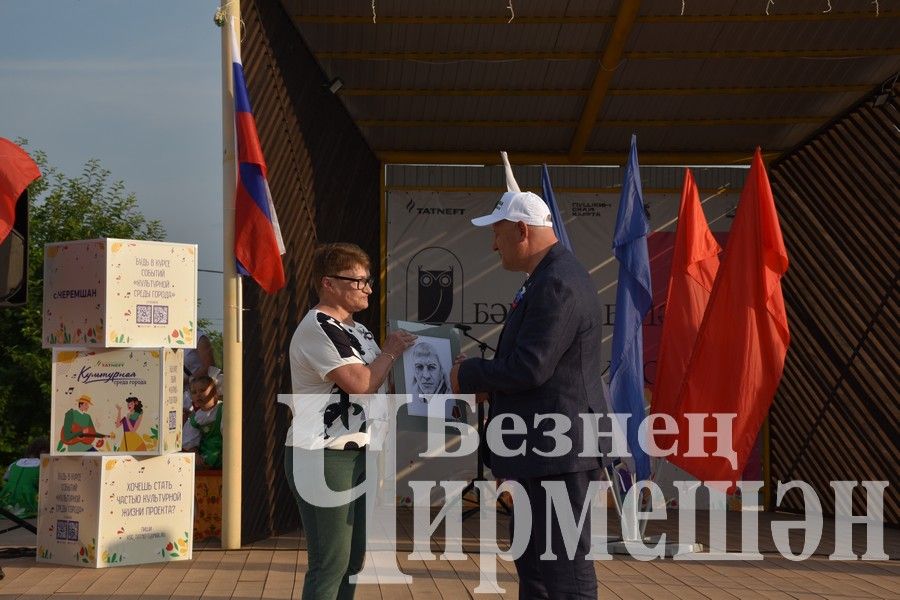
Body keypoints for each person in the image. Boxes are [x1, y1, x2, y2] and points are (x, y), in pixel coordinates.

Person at [450, 191, 604, 599]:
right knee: (537, 569)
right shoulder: (549, 277)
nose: (492, 243)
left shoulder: (556, 283)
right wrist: (485, 382)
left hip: (557, 454)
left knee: (563, 572)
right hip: (542, 453)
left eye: (497, 233)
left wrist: (469, 375)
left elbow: (530, 367)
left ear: (521, 230)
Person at [285, 242, 416, 600]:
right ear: (329, 283)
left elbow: (379, 382)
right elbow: (359, 385)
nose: (368, 288)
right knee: (330, 563)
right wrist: (390, 352)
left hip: (360, 451)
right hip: (325, 454)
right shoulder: (319, 326)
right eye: (358, 281)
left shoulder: (358, 330)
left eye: (368, 280)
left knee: (353, 559)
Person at [0, 437, 49, 519]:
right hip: (29, 501)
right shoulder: (43, 465)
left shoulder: (14, 464)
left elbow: (7, 479)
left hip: (5, 502)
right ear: (45, 451)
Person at [183, 375, 223, 469]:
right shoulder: (195, 419)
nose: (198, 394)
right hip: (207, 460)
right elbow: (189, 442)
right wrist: (196, 456)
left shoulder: (223, 410)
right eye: (194, 392)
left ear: (214, 391)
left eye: (202, 390)